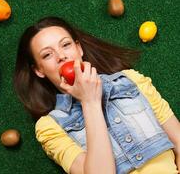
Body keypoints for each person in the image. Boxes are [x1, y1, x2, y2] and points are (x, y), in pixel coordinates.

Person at [14, 16, 180, 174]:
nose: (61, 56)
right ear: (39, 70)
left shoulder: (132, 80)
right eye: (47, 55)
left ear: (79, 49)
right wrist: (89, 102)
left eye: (65, 45)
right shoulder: (49, 127)